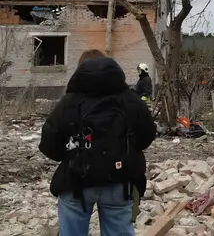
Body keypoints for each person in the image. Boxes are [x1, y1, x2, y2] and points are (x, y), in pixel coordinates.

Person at [40, 48, 158, 236]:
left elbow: (49, 144)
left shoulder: (69, 101)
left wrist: (72, 153)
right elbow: (147, 137)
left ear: (80, 70)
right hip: (120, 182)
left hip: (76, 181)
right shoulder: (130, 100)